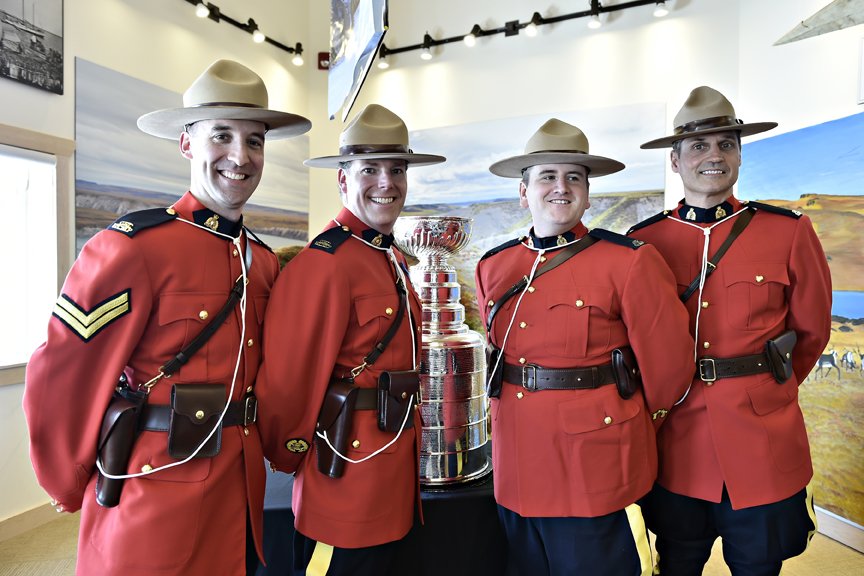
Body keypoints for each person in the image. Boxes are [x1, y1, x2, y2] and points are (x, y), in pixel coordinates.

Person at [23, 59, 311, 575]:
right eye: (221, 135)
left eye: (255, 141)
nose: (239, 157)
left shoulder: (263, 263)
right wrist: (66, 483)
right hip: (154, 496)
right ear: (186, 144)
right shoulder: (131, 249)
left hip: (241, 499)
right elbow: (64, 375)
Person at [475, 119, 695, 576]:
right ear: (524, 192)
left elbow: (669, 370)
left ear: (588, 193)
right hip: (517, 463)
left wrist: (623, 427)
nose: (561, 187)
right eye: (547, 177)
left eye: (574, 177)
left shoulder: (629, 261)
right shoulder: (494, 266)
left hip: (596, 466)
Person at [628, 86, 832, 575]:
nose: (714, 156)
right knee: (677, 560)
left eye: (727, 144)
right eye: (699, 146)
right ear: (675, 161)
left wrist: (763, 387)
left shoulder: (788, 231)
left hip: (761, 434)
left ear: (739, 154)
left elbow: (811, 333)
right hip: (677, 436)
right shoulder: (644, 242)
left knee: (759, 563)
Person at [256, 104, 445, 575]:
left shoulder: (387, 258)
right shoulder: (324, 264)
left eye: (397, 169)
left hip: (391, 475)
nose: (387, 182)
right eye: (370, 170)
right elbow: (286, 387)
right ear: (343, 180)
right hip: (342, 478)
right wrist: (293, 458)